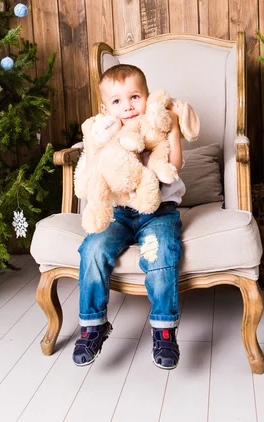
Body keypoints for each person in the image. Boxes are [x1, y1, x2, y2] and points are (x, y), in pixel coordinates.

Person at [73, 64, 185, 370]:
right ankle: (93, 325)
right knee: (94, 249)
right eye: (118, 101)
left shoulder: (157, 127)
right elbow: (94, 169)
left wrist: (173, 128)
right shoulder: (105, 134)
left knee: (161, 252)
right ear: (105, 108)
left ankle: (164, 329)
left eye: (135, 97)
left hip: (158, 214)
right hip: (119, 215)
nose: (129, 107)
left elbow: (174, 165)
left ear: (149, 98)